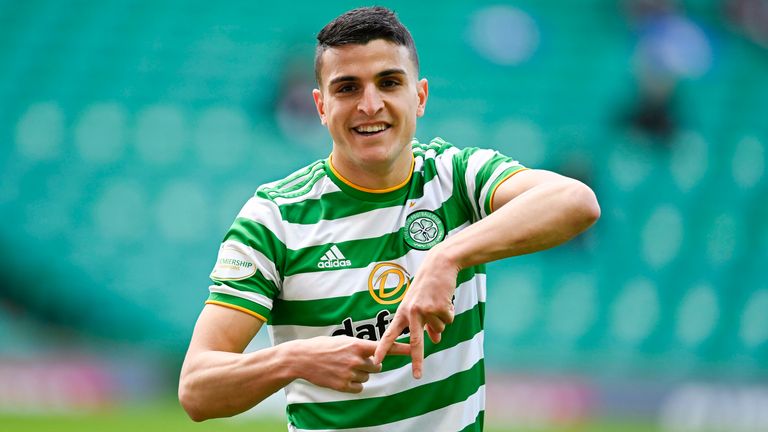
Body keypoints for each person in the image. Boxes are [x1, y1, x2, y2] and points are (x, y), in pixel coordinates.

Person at [178, 6, 600, 432]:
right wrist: (294, 359)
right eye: (347, 88)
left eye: (389, 82)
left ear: (419, 96)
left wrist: (445, 257)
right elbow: (196, 390)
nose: (370, 104)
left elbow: (575, 201)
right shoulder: (274, 219)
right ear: (321, 106)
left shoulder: (456, 178)